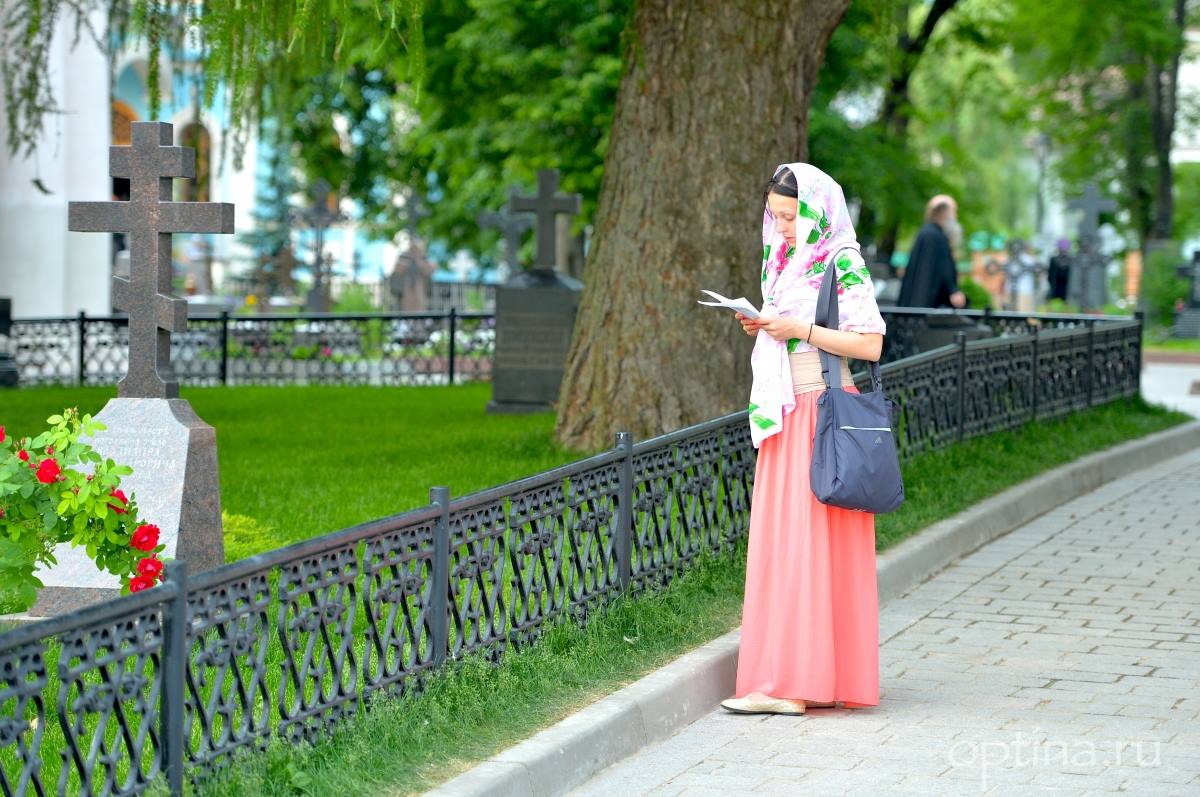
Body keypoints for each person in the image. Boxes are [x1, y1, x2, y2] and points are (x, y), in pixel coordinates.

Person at [722, 163, 886, 716]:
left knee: (807, 547)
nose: (783, 227)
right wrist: (765, 324)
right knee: (786, 547)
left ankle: (794, 684)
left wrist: (800, 330)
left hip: (820, 411)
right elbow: (789, 330)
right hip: (786, 409)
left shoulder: (842, 260)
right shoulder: (782, 259)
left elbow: (870, 345)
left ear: (818, 209)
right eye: (775, 216)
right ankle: (794, 678)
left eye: (791, 217)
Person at [896, 195, 966, 309]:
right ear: (944, 213)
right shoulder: (937, 237)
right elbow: (944, 271)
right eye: (954, 212)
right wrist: (953, 290)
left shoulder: (926, 233)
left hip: (916, 306)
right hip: (930, 308)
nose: (956, 217)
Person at [1046, 238, 1072, 303]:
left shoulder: (1072, 261)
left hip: (1068, 290)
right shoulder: (1053, 260)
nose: (1063, 251)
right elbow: (1050, 276)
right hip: (1055, 289)